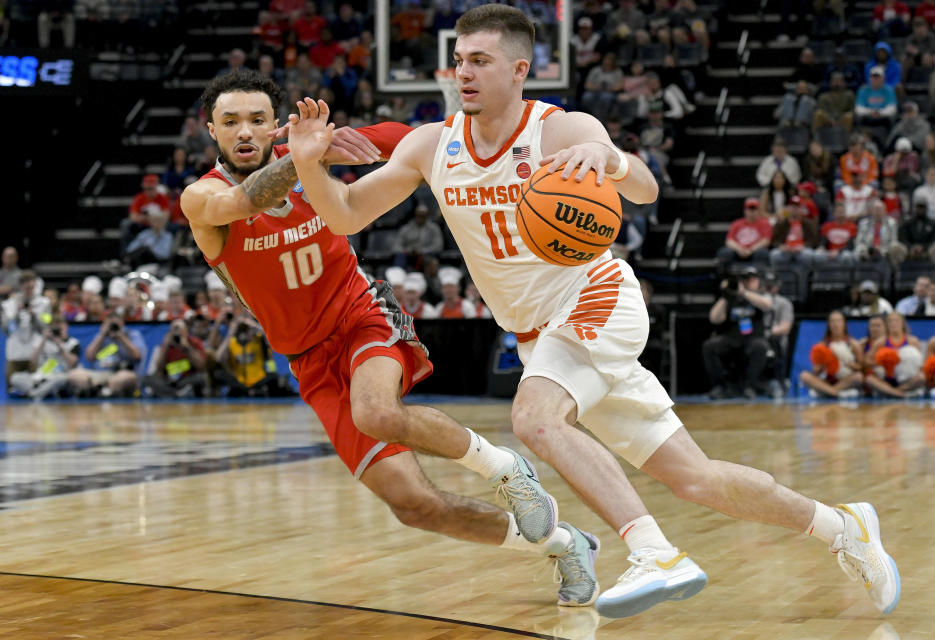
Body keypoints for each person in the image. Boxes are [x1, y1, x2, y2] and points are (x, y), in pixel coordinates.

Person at [275, 7, 902, 617]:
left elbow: (647, 189)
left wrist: (611, 160)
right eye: (459, 61)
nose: (464, 73)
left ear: (519, 70)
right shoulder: (429, 146)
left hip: (595, 295)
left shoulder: (561, 129)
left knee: (536, 420)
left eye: (480, 61)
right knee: (694, 477)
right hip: (539, 334)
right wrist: (308, 161)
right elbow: (347, 213)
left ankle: (654, 552)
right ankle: (840, 525)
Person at [177, 69, 596, 607]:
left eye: (257, 119)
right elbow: (248, 201)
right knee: (415, 506)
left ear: (274, 125)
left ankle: (506, 469)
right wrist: (310, 156)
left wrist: (506, 148)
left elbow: (420, 139)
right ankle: (565, 545)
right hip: (306, 359)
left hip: (360, 312)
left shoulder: (311, 153)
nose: (244, 131)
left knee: (375, 411)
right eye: (230, 121)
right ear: (211, 131)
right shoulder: (202, 197)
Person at [703, 268, 773, 399]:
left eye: (752, 279)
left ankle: (750, 386)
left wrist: (744, 292)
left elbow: (767, 305)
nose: (748, 282)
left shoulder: (761, 295)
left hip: (753, 338)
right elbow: (714, 318)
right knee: (709, 346)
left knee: (760, 346)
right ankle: (720, 386)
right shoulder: (729, 298)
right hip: (731, 338)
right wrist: (726, 294)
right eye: (745, 279)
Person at [67, 312, 146, 398]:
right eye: (109, 324)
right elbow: (89, 357)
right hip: (99, 373)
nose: (112, 327)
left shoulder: (132, 334)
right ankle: (98, 389)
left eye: (115, 324)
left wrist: (121, 337)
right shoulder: (101, 336)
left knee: (124, 378)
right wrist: (102, 334)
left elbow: (136, 356)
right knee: (74, 375)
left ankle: (102, 390)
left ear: (122, 324)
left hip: (120, 372)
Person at [800, 310, 864, 398]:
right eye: (832, 321)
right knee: (804, 376)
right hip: (828, 379)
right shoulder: (822, 345)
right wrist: (821, 366)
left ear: (844, 323)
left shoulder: (853, 344)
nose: (835, 324)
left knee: (859, 377)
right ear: (829, 324)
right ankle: (837, 393)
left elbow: (861, 368)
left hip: (845, 380)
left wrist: (848, 364)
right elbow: (815, 371)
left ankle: (826, 392)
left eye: (838, 321)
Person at [143, 319, 208, 398]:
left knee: (200, 378)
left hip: (187, 379)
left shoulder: (194, 342)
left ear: (186, 331)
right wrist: (166, 347)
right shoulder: (167, 344)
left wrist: (186, 347)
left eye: (179, 329)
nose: (177, 332)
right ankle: (175, 393)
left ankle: (168, 394)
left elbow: (201, 365)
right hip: (170, 380)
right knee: (147, 379)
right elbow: (159, 368)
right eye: (174, 329)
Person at [865, 312, 925, 397]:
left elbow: (920, 364)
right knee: (869, 380)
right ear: (887, 325)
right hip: (886, 377)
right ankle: (899, 393)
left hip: (906, 379)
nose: (893, 323)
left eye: (896, 321)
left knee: (921, 378)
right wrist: (880, 362)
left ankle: (894, 391)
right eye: (890, 321)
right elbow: (867, 361)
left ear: (902, 323)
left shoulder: (912, 341)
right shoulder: (881, 342)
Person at [716, 197, 773, 272]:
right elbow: (729, 241)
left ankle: (758, 278)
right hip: (738, 252)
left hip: (755, 252)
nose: (752, 212)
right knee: (724, 252)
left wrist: (751, 250)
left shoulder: (765, 223)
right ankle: (726, 279)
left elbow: (766, 241)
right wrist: (740, 249)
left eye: (754, 209)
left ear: (758, 211)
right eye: (749, 209)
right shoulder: (737, 223)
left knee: (763, 253)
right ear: (745, 210)